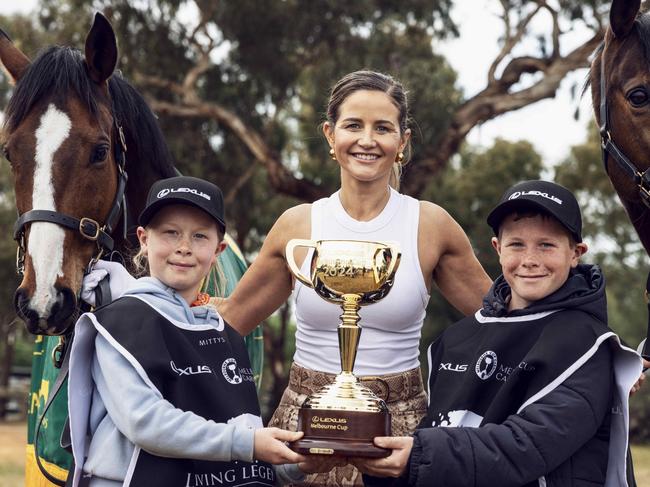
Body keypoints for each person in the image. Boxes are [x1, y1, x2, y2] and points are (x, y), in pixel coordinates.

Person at [82, 70, 493, 486]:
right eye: (353, 126)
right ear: (330, 135)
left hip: (397, 434)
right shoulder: (297, 225)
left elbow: (502, 319)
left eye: (382, 128)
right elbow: (230, 322)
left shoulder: (431, 226)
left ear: (402, 142)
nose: (367, 140)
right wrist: (125, 305)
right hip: (302, 433)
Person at [354, 180, 643, 487]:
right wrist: (384, 466)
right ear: (498, 249)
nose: (530, 260)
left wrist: (416, 456)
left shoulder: (590, 346)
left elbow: (526, 447)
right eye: (516, 244)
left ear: (576, 253)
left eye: (547, 245)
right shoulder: (456, 340)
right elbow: (439, 430)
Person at [67, 176, 335, 487]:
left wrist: (297, 464)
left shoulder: (225, 334)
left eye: (199, 236)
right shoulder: (121, 321)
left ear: (218, 249)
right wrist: (249, 444)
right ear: (143, 238)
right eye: (170, 233)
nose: (183, 248)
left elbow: (236, 453)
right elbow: (145, 422)